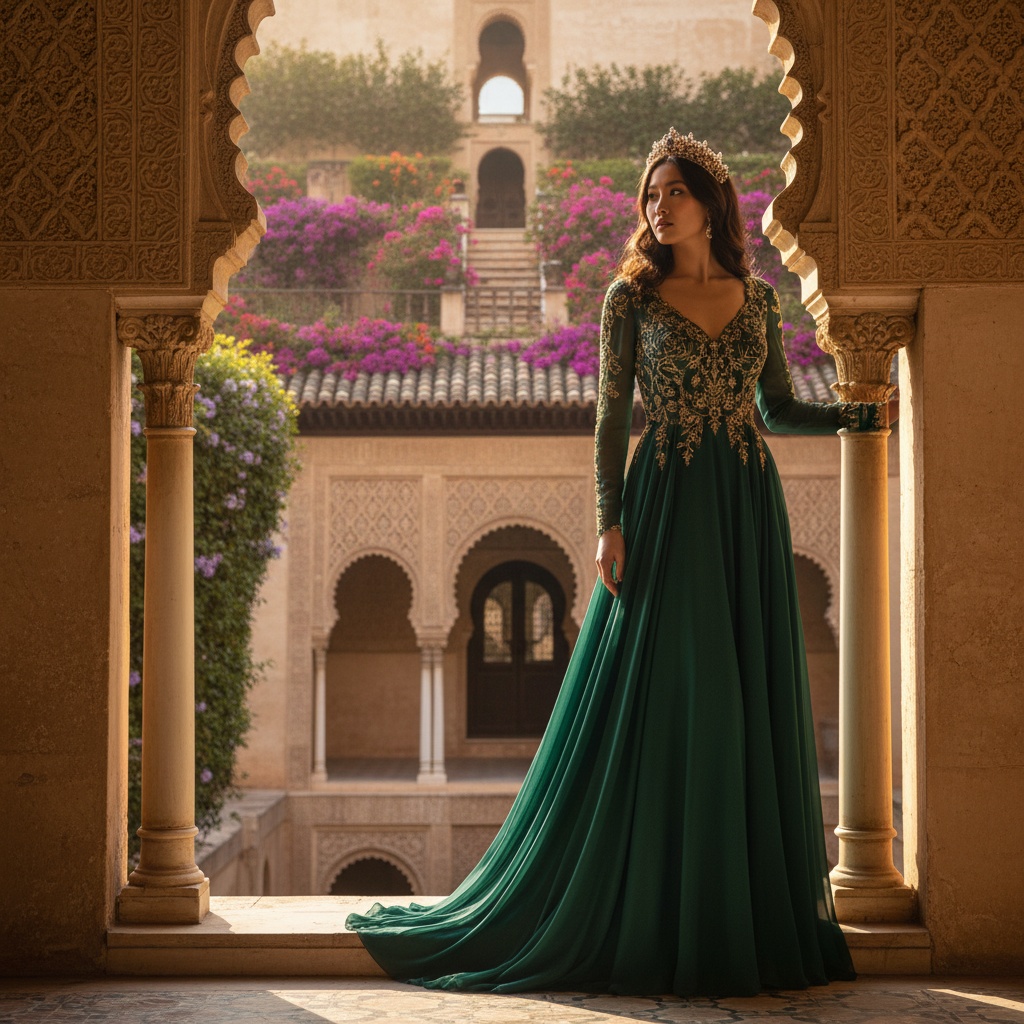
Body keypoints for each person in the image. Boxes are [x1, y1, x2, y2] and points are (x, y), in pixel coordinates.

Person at [346, 128, 880, 996]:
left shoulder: (759, 301)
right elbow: (608, 417)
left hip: (744, 507)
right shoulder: (628, 298)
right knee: (679, 692)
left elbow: (778, 408)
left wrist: (857, 419)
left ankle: (728, 918)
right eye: (649, 196)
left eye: (672, 193)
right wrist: (609, 522)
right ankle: (649, 910)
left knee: (742, 698)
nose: (656, 208)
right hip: (666, 504)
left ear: (709, 203)